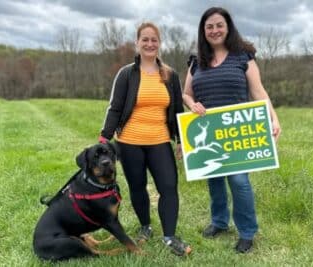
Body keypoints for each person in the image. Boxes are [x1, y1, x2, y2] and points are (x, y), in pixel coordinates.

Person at [183, 7, 282, 253]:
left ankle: (247, 232)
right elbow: (186, 93)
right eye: (209, 26)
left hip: (237, 132)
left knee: (239, 182)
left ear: (228, 28)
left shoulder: (243, 56)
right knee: (214, 180)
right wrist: (191, 104)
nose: (214, 30)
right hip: (210, 129)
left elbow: (258, 92)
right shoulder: (196, 61)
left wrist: (274, 118)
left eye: (219, 25)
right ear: (203, 31)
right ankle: (219, 222)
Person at [99, 22, 191, 256]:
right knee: (137, 187)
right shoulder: (127, 74)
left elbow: (178, 110)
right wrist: (104, 138)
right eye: (145, 40)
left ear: (159, 44)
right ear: (137, 43)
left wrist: (181, 140)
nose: (150, 44)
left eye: (154, 40)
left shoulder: (170, 75)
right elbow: (115, 108)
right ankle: (145, 226)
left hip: (160, 140)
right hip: (129, 142)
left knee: (169, 187)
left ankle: (169, 237)